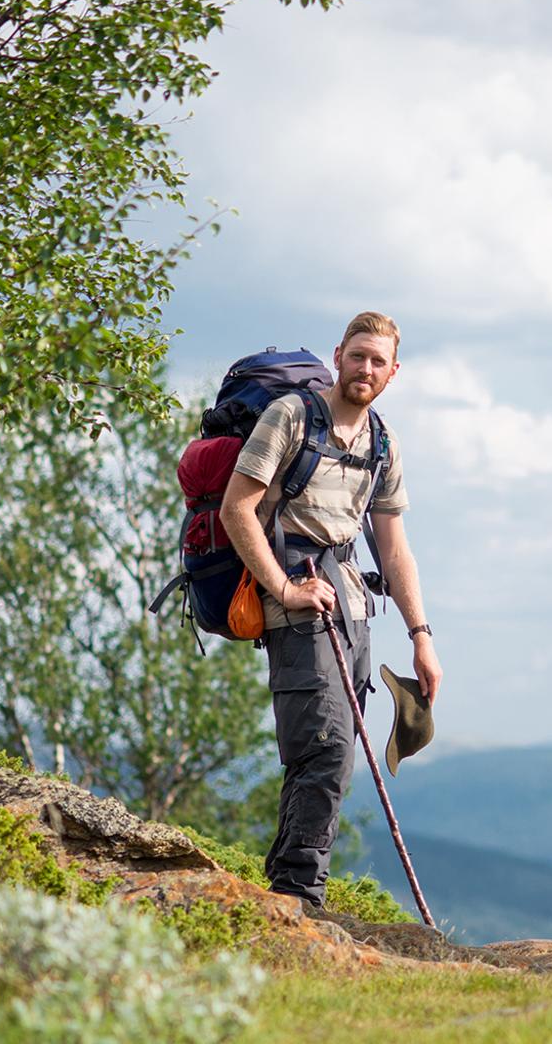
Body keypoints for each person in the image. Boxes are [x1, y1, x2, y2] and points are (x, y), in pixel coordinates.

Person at [219, 311, 442, 910]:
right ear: (338, 355)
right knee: (326, 747)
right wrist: (284, 588)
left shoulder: (382, 442)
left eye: (378, 361)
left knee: (331, 756)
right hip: (297, 602)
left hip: (352, 608)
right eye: (357, 355)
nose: (365, 369)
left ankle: (288, 888)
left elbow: (394, 548)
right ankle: (300, 896)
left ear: (393, 372)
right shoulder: (290, 416)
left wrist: (421, 636)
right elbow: (237, 509)